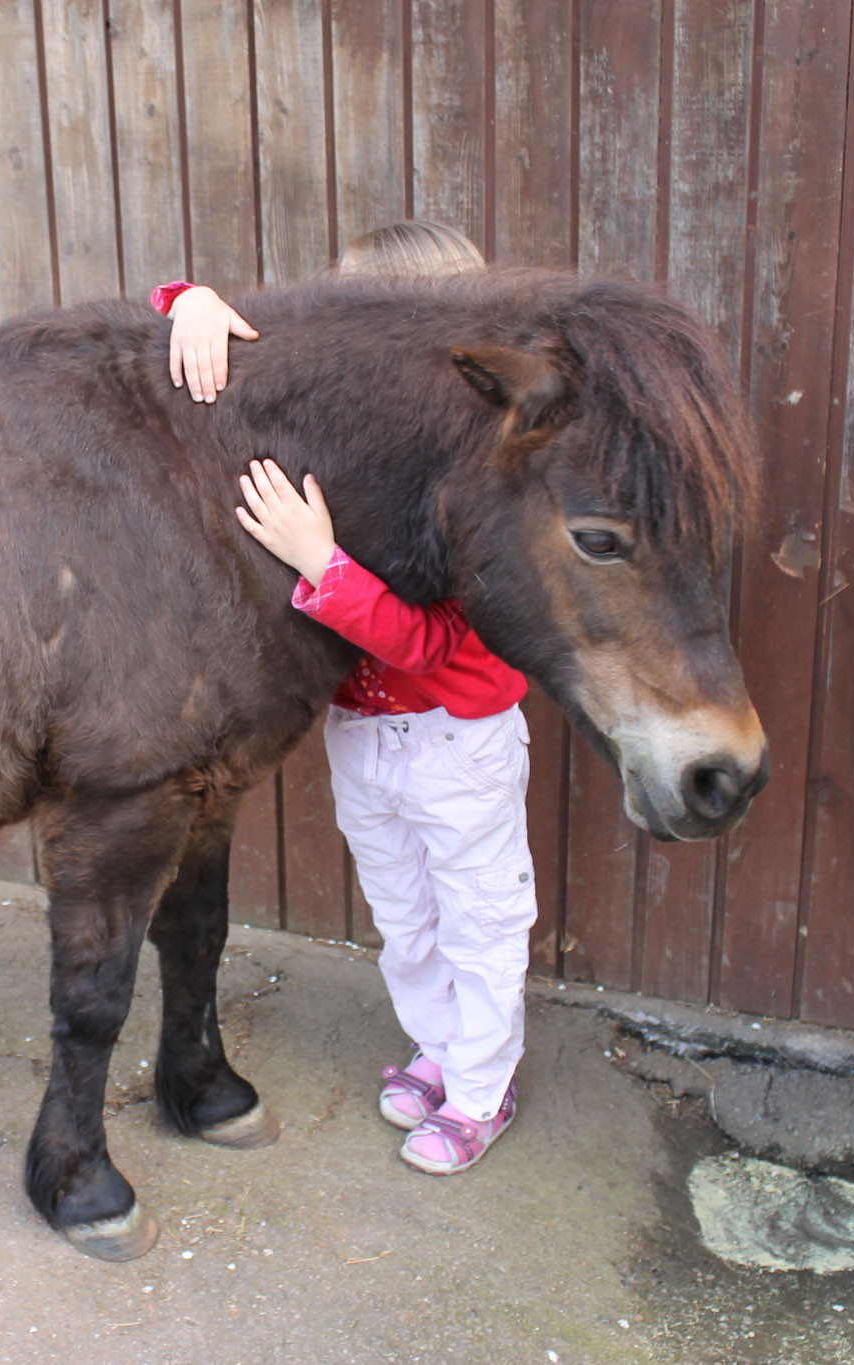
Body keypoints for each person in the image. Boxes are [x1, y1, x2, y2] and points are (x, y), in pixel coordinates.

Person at [151, 222, 538, 1175]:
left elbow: (446, 649)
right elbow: (244, 342)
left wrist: (323, 567)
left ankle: (483, 1087)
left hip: (457, 738)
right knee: (405, 918)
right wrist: (186, 300)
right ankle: (440, 1051)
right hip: (367, 734)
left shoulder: (483, 482)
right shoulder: (367, 450)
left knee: (478, 921)